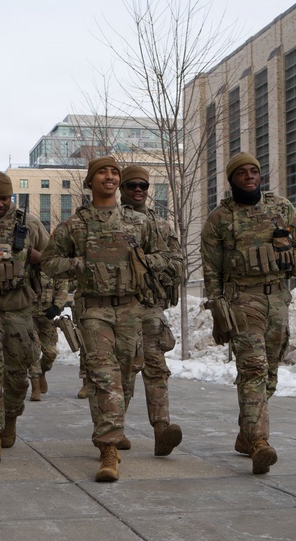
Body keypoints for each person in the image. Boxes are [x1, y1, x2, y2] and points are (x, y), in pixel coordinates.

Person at [42, 156, 170, 482]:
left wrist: (139, 260)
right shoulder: (75, 225)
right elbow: (49, 262)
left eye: (114, 172)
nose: (110, 176)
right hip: (94, 308)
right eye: (103, 172)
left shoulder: (138, 222)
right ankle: (108, 449)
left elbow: (165, 257)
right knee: (103, 374)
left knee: (126, 375)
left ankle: (115, 423)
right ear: (91, 181)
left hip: (130, 307)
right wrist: (81, 264)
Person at [200, 152, 296, 475]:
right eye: (241, 173)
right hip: (242, 302)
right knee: (254, 368)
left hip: (278, 300)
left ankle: (246, 434)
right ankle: (259, 443)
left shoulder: (281, 209)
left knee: (269, 374)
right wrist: (218, 309)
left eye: (253, 171)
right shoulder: (219, 220)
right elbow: (211, 271)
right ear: (231, 180)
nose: (249, 177)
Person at [0, 171, 48, 464]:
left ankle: (11, 418)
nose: (0, 204)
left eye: (4, 198)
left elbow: (54, 260)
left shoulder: (29, 225)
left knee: (17, 375)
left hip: (19, 310)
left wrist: (38, 259)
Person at [119, 165, 185, 455]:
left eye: (143, 186)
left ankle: (162, 429)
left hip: (150, 307)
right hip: (119, 308)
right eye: (131, 185)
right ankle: (114, 428)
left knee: (156, 368)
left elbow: (177, 263)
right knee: (123, 370)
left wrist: (147, 262)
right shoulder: (110, 220)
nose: (137, 190)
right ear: (121, 188)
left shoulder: (162, 226)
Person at [29, 270, 68, 401]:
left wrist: (57, 307)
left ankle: (42, 372)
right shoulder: (26, 266)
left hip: (47, 316)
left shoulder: (52, 266)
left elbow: (63, 286)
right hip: (29, 316)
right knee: (33, 350)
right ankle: (35, 387)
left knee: (51, 353)